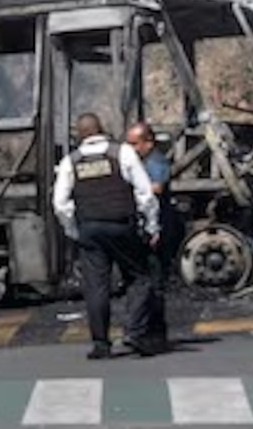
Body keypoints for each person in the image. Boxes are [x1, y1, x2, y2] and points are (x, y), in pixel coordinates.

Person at [53, 113, 161, 359]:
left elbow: (60, 203)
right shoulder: (122, 153)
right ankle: (134, 332)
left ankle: (101, 343)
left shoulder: (71, 161)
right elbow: (145, 194)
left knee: (96, 287)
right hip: (121, 225)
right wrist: (152, 226)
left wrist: (73, 230)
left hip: (89, 229)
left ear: (79, 135)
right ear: (101, 129)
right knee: (139, 277)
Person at [125, 122, 179, 350]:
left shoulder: (156, 162)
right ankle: (147, 329)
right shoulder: (137, 162)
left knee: (155, 282)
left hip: (159, 228)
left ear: (149, 142)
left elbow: (156, 187)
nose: (132, 148)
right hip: (145, 226)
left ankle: (156, 333)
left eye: (135, 143)